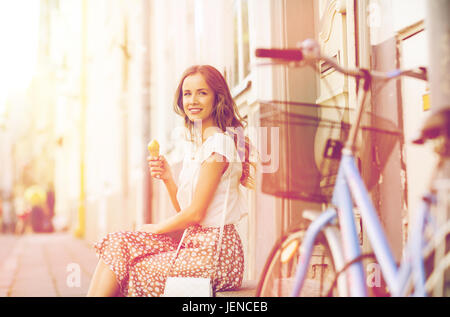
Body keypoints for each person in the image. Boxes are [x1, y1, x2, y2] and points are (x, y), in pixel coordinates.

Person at [87, 65, 255, 297]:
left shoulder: (218, 145)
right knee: (119, 244)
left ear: (218, 98)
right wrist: (168, 178)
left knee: (135, 269)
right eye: (187, 93)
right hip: (194, 243)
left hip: (215, 254)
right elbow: (188, 212)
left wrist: (156, 228)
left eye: (202, 93)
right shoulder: (199, 147)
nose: (193, 100)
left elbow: (195, 215)